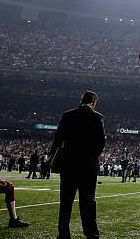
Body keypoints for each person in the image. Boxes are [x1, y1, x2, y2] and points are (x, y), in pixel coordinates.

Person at [49, 91, 105, 239]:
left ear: (81, 100)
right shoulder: (97, 117)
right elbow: (101, 142)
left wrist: (51, 157)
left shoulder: (68, 115)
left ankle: (63, 234)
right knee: (88, 202)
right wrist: (92, 157)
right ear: (93, 102)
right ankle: (91, 234)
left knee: (66, 202)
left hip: (68, 165)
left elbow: (58, 139)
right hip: (88, 166)